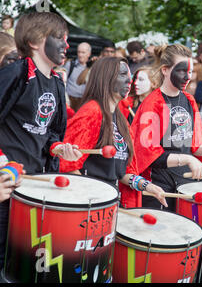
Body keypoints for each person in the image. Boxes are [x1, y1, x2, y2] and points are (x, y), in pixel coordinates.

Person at [0, 11, 80, 272]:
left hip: (36, 188)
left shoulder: (57, 83)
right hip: (6, 187)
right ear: (34, 41)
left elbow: (52, 134)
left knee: (26, 261)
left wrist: (60, 149)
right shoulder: (16, 74)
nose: (66, 45)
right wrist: (2, 164)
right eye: (58, 37)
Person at [129, 44, 202, 211]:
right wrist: (188, 159)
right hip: (160, 190)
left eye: (190, 72)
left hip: (186, 187)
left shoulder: (189, 100)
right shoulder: (152, 103)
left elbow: (196, 146)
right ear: (165, 70)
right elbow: (150, 154)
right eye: (183, 71)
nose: (188, 77)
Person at [57, 57, 166, 208]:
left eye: (129, 75)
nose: (129, 81)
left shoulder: (121, 120)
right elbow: (67, 164)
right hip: (89, 204)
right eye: (122, 75)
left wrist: (148, 186)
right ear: (106, 78)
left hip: (111, 202)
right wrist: (92, 195)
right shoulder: (91, 112)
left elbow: (123, 173)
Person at [64, 42, 92, 112]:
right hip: (70, 101)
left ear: (89, 54)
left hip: (83, 102)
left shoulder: (92, 67)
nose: (80, 55)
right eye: (79, 52)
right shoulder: (70, 64)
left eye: (83, 52)